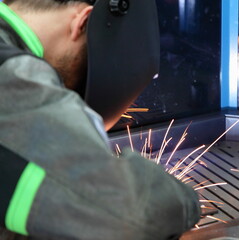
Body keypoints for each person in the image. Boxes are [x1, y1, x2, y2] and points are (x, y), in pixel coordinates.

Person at [0, 0, 201, 239]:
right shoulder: (13, 77)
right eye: (75, 83)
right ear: (83, 22)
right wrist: (187, 204)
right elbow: (137, 219)